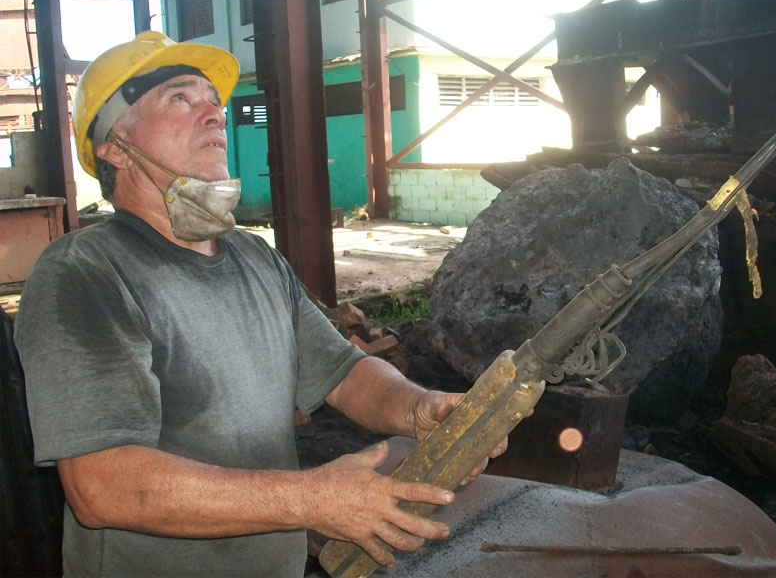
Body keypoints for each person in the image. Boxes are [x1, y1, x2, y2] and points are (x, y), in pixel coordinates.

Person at [14, 31, 505, 577]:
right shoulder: (86, 273)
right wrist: (309, 500)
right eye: (180, 98)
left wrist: (417, 408)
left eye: (213, 102)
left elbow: (341, 373)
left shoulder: (253, 256)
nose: (213, 115)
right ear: (113, 146)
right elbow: (103, 486)